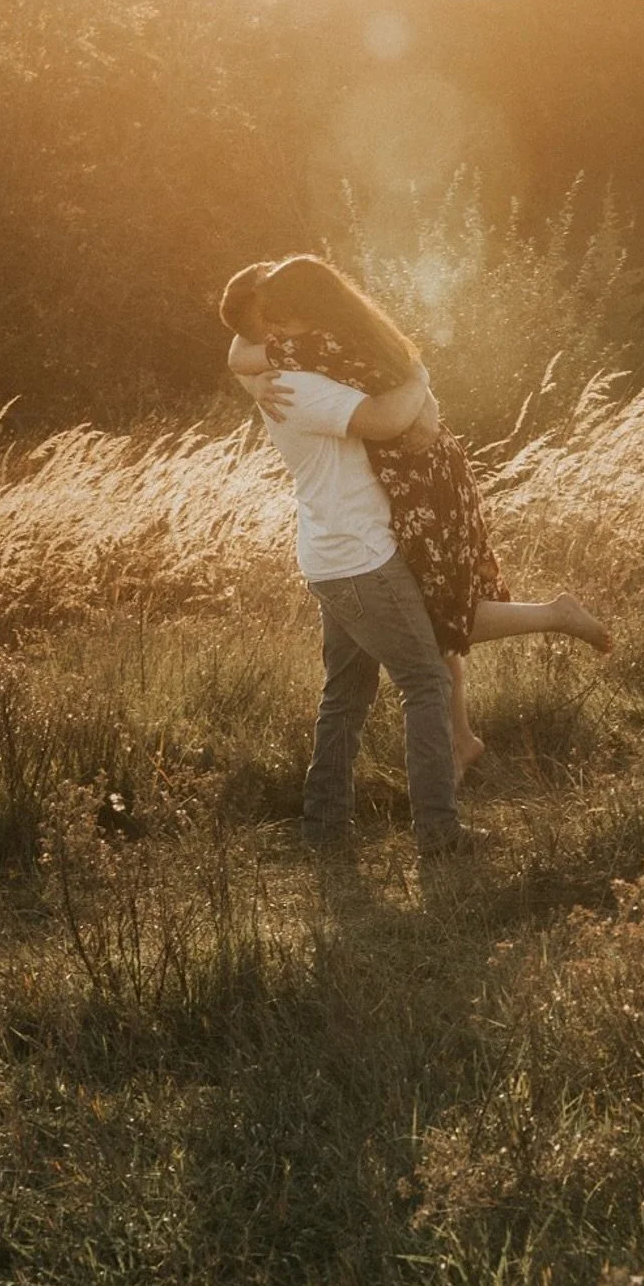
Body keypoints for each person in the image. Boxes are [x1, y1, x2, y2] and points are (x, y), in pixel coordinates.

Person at [227, 254, 610, 781]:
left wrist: (417, 386)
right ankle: (461, 738)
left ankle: (548, 623)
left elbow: (246, 355)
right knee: (435, 607)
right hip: (427, 470)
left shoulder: (314, 346)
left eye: (278, 319)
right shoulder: (355, 329)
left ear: (304, 311)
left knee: (438, 614)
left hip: (419, 480)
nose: (270, 333)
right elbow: (240, 352)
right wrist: (256, 382)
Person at [219, 262, 477, 859]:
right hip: (362, 558)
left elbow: (244, 345)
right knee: (427, 683)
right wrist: (420, 374)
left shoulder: (301, 366)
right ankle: (439, 835)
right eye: (272, 316)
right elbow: (386, 420)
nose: (279, 324)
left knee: (347, 696)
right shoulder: (299, 384)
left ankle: (324, 830)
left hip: (332, 553)